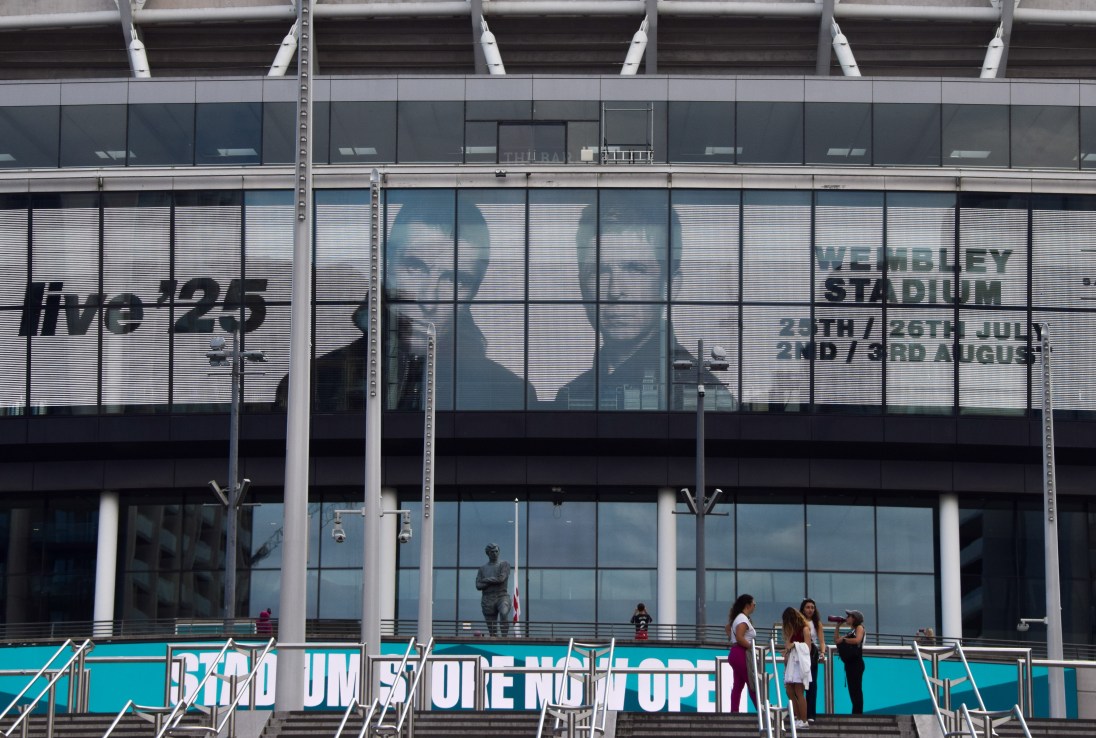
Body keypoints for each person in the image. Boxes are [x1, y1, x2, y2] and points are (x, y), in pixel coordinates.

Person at [275, 195, 535, 412]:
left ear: (473, 292)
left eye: (455, 280)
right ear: (386, 266)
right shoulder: (312, 384)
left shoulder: (511, 394)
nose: (428, 298)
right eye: (415, 267)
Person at [554, 199, 735, 411]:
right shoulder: (571, 395)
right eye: (599, 271)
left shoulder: (702, 395)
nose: (615, 290)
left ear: (671, 285)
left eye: (635, 269)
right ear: (581, 284)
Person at [725, 593, 758, 713]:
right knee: (752, 683)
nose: (755, 607)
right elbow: (739, 637)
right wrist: (753, 648)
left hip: (736, 652)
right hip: (741, 653)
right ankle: (761, 711)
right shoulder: (743, 619)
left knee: (738, 685)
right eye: (754, 604)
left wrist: (731, 638)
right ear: (748, 605)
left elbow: (727, 628)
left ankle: (734, 711)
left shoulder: (738, 618)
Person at [782, 607, 812, 731]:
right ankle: (798, 717)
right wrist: (786, 652)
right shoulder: (792, 631)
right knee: (789, 690)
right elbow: (788, 645)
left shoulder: (805, 629)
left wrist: (794, 645)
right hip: (792, 663)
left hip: (800, 663)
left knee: (799, 692)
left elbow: (807, 648)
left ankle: (804, 720)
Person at [833, 609, 866, 714]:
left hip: (856, 663)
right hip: (850, 663)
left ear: (854, 618)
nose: (847, 618)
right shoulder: (851, 632)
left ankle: (858, 713)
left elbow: (857, 640)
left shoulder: (859, 628)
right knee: (852, 690)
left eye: (849, 616)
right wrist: (838, 626)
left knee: (856, 688)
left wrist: (844, 640)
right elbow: (837, 640)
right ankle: (855, 711)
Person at [476, 542, 512, 636]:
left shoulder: (504, 564)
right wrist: (491, 582)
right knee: (492, 631)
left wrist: (486, 580)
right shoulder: (482, 569)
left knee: (504, 612)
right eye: (492, 552)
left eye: (496, 551)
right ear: (488, 553)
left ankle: (505, 638)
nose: (495, 553)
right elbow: (478, 586)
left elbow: (501, 579)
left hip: (501, 596)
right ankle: (495, 642)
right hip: (487, 599)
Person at [799, 598, 827, 721]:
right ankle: (799, 713)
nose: (810, 610)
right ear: (803, 609)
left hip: (812, 653)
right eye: (808, 607)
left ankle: (811, 714)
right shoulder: (799, 621)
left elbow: (821, 641)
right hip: (800, 652)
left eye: (812, 607)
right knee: (798, 684)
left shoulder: (817, 623)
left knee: (812, 684)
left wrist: (822, 652)